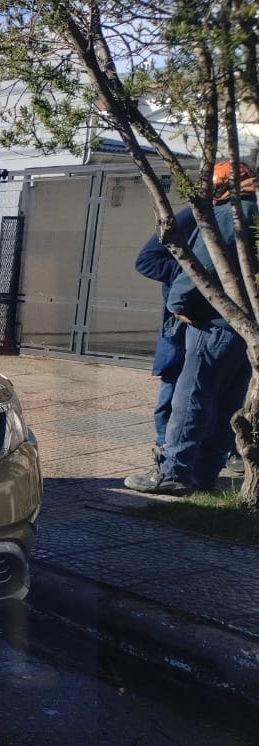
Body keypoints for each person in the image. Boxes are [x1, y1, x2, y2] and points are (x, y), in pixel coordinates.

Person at [125, 161, 256, 496]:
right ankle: (204, 475)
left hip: (212, 325)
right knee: (228, 403)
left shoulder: (228, 215)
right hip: (246, 331)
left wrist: (179, 303)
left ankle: (174, 473)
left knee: (192, 398)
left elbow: (203, 264)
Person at [123, 204, 195, 485]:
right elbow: (146, 261)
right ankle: (165, 451)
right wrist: (193, 272)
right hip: (181, 323)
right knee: (173, 388)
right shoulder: (192, 216)